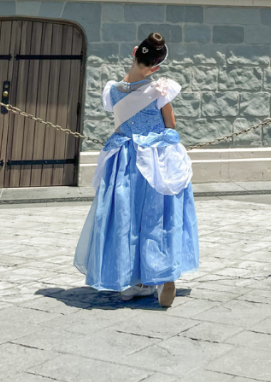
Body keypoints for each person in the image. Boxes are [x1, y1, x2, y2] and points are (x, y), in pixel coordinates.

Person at [74, 32, 199, 307]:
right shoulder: (161, 89)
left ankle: (133, 280)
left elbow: (119, 122)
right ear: (156, 67)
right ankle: (160, 274)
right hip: (154, 160)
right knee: (157, 216)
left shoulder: (111, 91)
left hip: (123, 159)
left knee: (124, 217)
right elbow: (171, 126)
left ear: (134, 52)